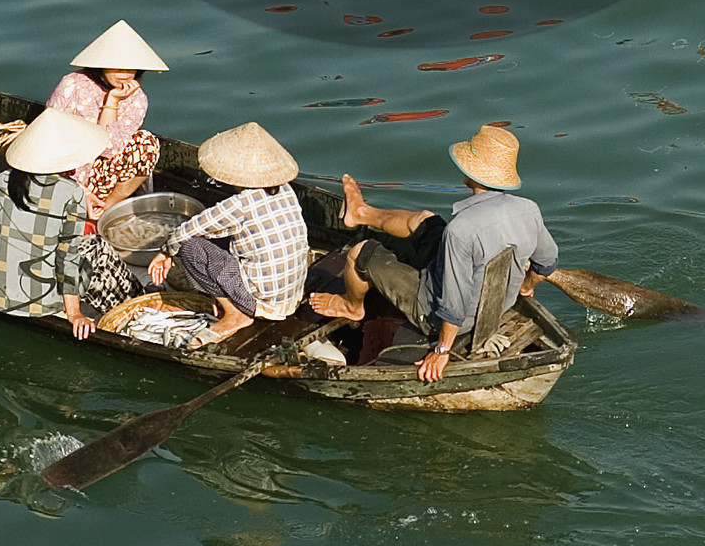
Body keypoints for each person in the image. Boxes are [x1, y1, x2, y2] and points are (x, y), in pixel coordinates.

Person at [311, 123, 559, 384]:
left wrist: (441, 351)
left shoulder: (461, 230)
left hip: (437, 314)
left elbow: (453, 306)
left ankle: (352, 306)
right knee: (425, 221)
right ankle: (361, 213)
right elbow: (547, 263)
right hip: (497, 305)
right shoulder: (529, 210)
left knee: (360, 254)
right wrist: (526, 286)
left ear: (471, 171)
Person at [0, 106, 123, 340]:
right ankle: (126, 306)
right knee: (98, 250)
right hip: (44, 303)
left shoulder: (3, 180)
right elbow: (67, 256)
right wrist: (74, 313)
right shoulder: (70, 192)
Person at [145, 123, 309, 347]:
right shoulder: (286, 190)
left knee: (190, 247)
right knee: (214, 238)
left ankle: (234, 313)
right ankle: (229, 299)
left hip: (261, 302)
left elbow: (185, 232)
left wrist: (165, 252)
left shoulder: (241, 204)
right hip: (291, 299)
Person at [45, 19, 167, 223]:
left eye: (131, 70)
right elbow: (49, 134)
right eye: (118, 69)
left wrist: (112, 101)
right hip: (65, 167)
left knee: (148, 143)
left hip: (101, 170)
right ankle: (83, 201)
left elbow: (108, 149)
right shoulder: (72, 84)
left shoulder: (136, 99)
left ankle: (105, 208)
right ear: (101, 66)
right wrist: (81, 191)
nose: (125, 76)